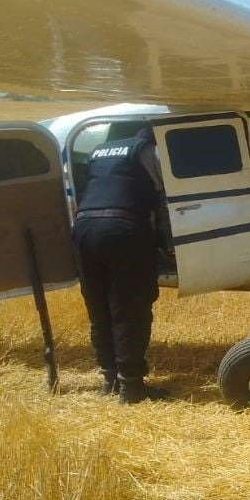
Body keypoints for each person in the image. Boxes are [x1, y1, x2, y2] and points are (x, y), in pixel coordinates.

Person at [73, 125, 170, 404]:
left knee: (99, 307)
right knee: (129, 308)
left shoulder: (99, 152)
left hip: (83, 229)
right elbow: (165, 201)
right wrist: (168, 244)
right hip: (122, 228)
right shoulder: (150, 152)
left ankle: (110, 380)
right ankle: (131, 387)